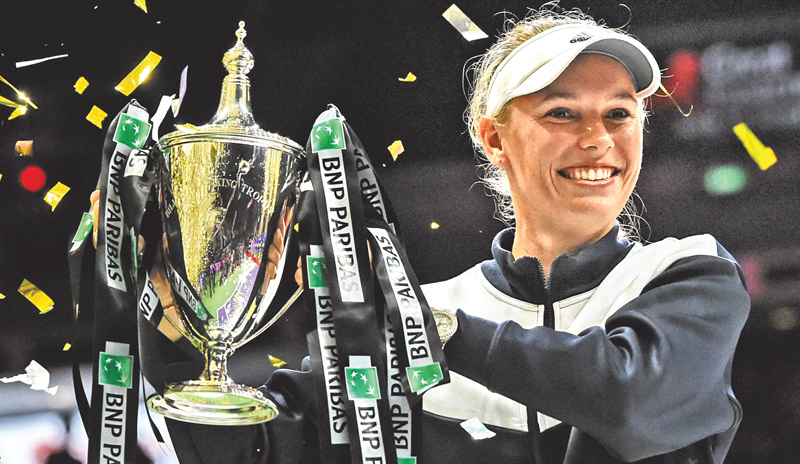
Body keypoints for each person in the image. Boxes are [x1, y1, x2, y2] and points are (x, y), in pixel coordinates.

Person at [90, 6, 750, 464]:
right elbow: (248, 451)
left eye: (618, 114)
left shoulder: (689, 277)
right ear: (494, 138)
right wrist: (165, 320)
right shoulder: (404, 314)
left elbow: (630, 400)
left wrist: (433, 329)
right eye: (561, 112)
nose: (598, 139)